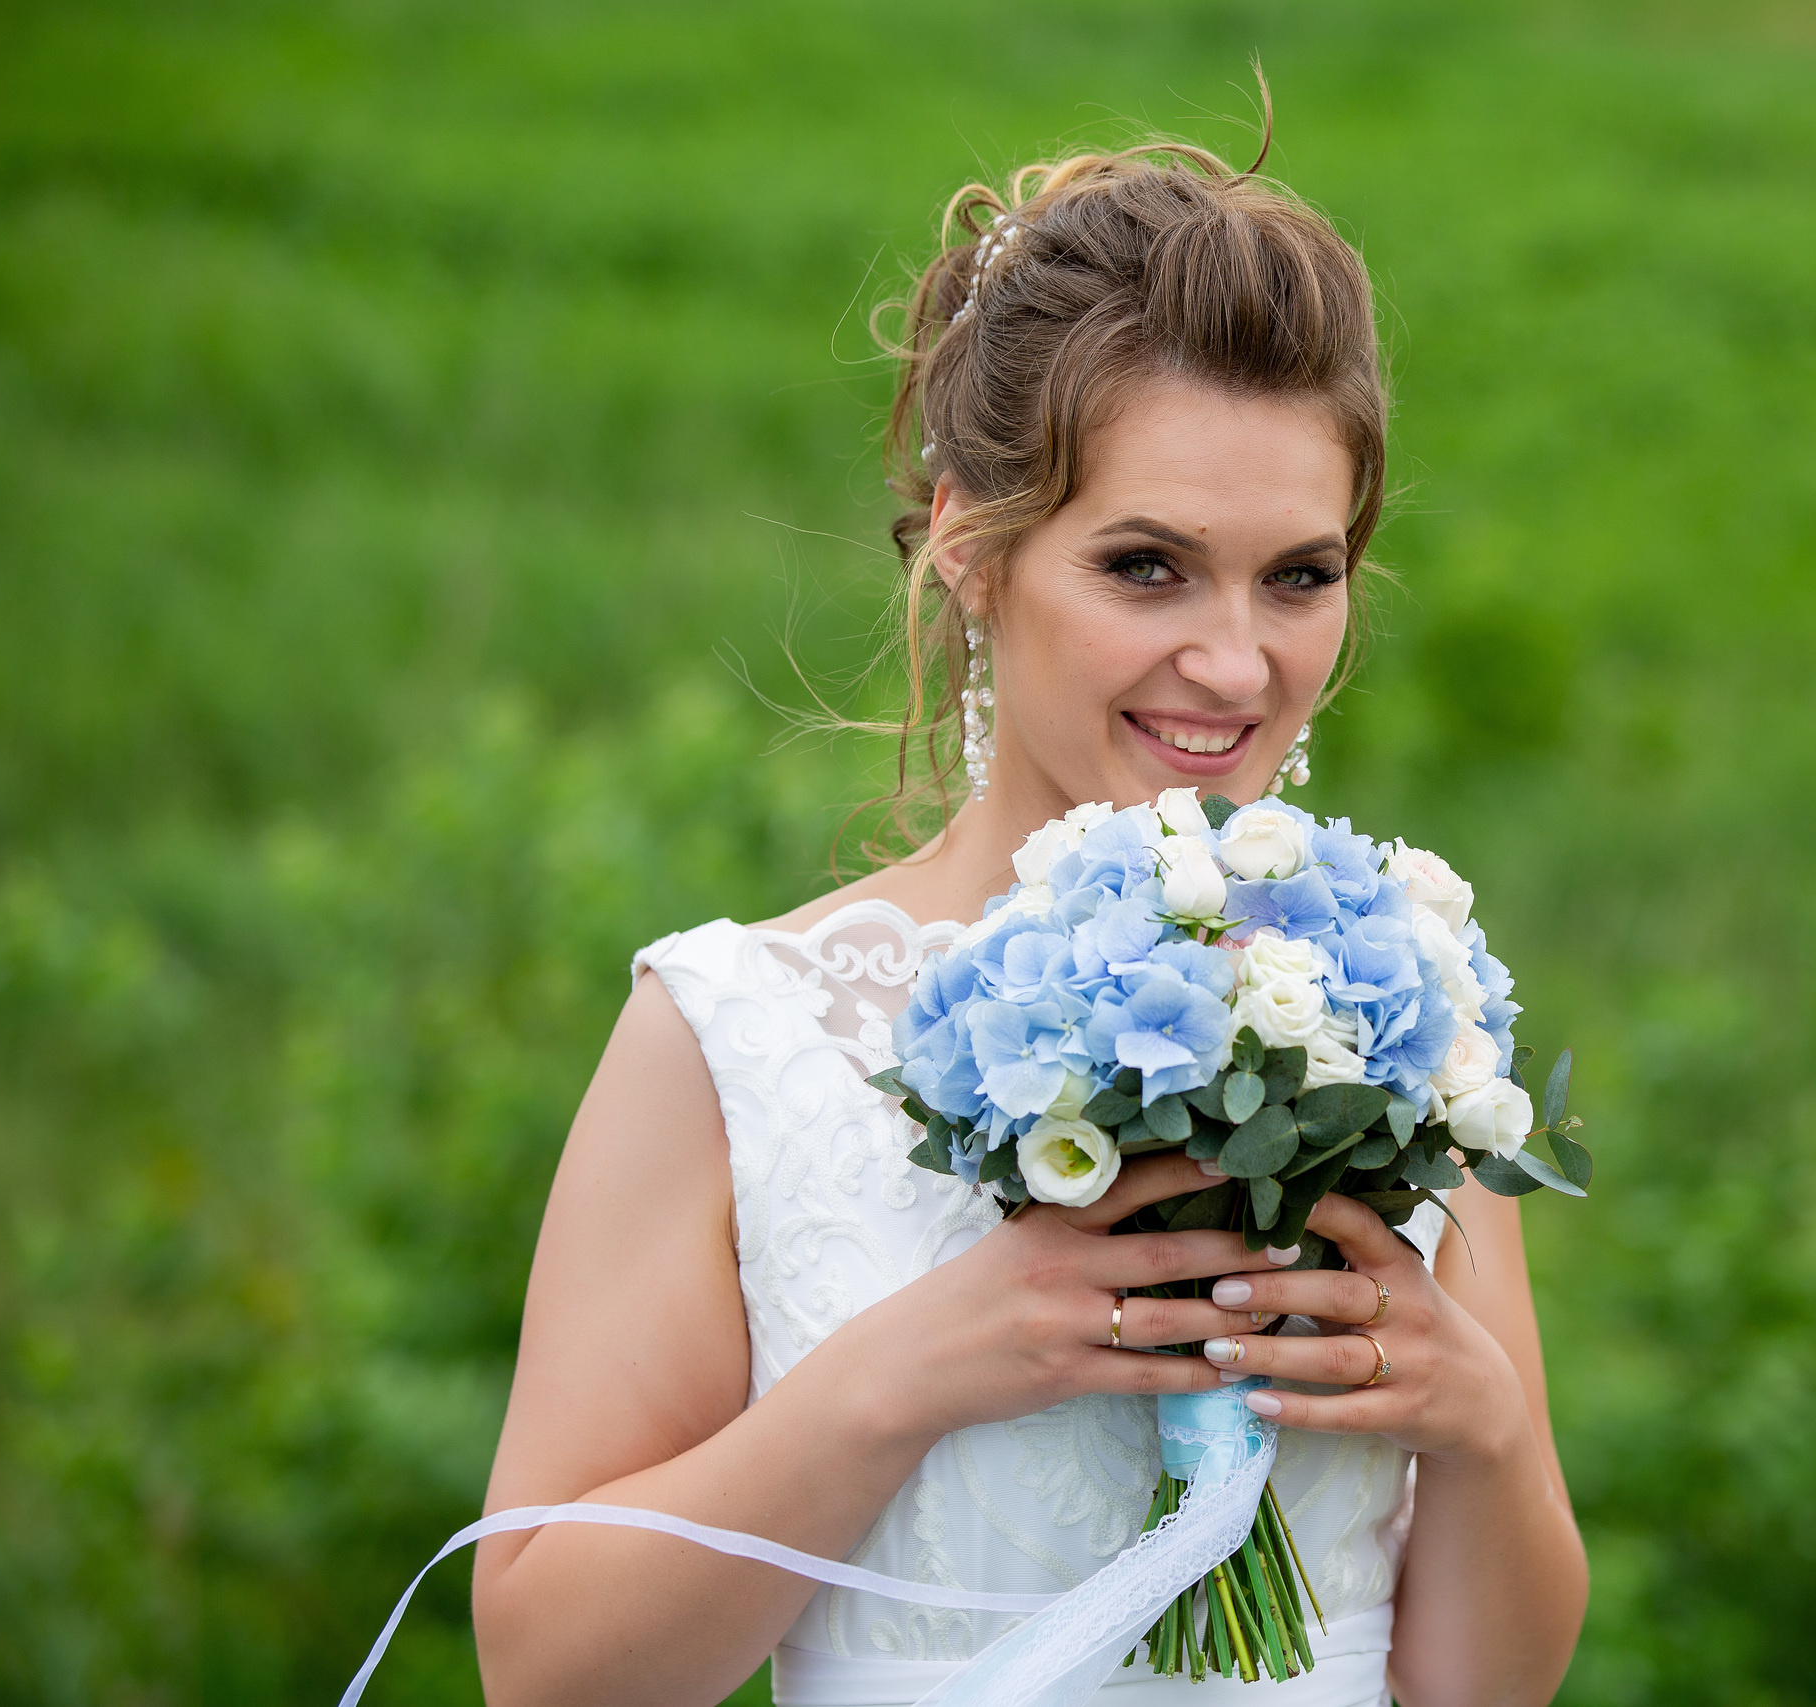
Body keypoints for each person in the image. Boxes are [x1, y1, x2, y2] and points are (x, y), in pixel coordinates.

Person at [468, 129, 1588, 1707]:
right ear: (973, 550)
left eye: (1298, 576)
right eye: (1147, 567)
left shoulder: (1401, 1017)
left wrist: (1482, 1433)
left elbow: (1484, 1692)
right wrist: (902, 1378)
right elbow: (543, 1673)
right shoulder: (740, 1033)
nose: (1236, 663)